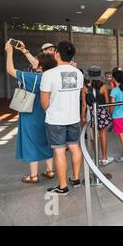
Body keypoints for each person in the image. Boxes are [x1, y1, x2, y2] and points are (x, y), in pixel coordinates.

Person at [5, 41, 57, 183]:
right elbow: (40, 63)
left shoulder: (31, 77)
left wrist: (9, 52)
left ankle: (33, 176)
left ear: (40, 65)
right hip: (47, 114)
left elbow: (10, 70)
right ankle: (50, 170)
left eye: (37, 60)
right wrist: (23, 50)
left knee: (30, 142)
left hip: (30, 113)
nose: (35, 60)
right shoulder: (52, 76)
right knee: (46, 141)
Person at [40, 41, 84, 196]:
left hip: (56, 120)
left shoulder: (48, 74)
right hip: (73, 117)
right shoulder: (78, 73)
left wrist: (49, 110)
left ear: (57, 54)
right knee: (74, 146)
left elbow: (44, 101)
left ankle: (63, 186)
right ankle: (76, 179)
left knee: (59, 151)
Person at [81, 66, 113, 166]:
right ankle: (104, 158)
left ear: (89, 75)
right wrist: (109, 114)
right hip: (102, 113)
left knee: (93, 136)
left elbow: (84, 105)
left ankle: (96, 158)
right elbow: (107, 103)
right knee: (103, 135)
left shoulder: (85, 88)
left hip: (90, 114)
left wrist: (83, 117)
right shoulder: (103, 87)